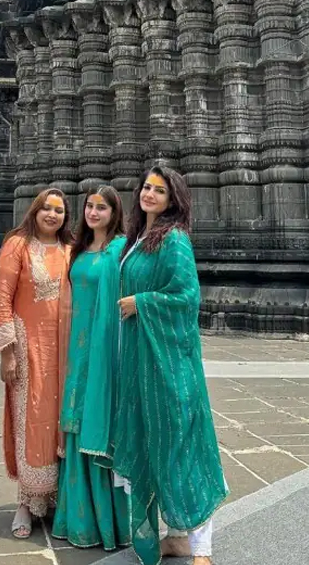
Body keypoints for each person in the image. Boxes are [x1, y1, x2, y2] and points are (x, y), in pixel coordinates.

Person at [114, 165, 228, 565]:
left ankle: (202, 548)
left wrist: (140, 303)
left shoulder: (174, 239)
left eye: (159, 190)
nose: (149, 194)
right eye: (146, 187)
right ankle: (175, 537)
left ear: (172, 200)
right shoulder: (138, 238)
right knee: (153, 445)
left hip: (168, 365)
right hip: (140, 361)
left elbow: (186, 297)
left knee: (181, 448)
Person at [53, 186, 132, 551]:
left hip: (105, 351)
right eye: (89, 206)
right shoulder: (77, 251)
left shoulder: (121, 250)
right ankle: (77, 519)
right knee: (75, 421)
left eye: (102, 207)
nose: (94, 212)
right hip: (75, 348)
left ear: (115, 213)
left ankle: (109, 523)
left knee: (98, 421)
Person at [0, 188, 73, 539]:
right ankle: (25, 502)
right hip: (28, 348)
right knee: (30, 420)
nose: (53, 215)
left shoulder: (70, 250)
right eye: (47, 209)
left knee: (59, 421)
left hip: (65, 350)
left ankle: (55, 498)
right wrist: (8, 351)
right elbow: (2, 298)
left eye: (60, 211)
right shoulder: (17, 245)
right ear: (35, 211)